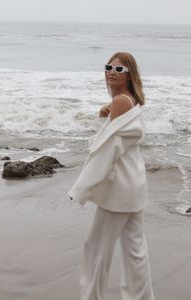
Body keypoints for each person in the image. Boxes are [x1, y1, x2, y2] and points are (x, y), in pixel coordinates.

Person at [68, 52, 155, 300]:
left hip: (119, 190)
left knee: (96, 249)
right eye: (109, 68)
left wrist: (82, 188)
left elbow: (106, 150)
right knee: (136, 251)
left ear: (130, 74)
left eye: (119, 70)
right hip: (135, 186)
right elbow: (117, 139)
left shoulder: (120, 102)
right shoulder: (131, 100)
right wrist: (104, 113)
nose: (111, 73)